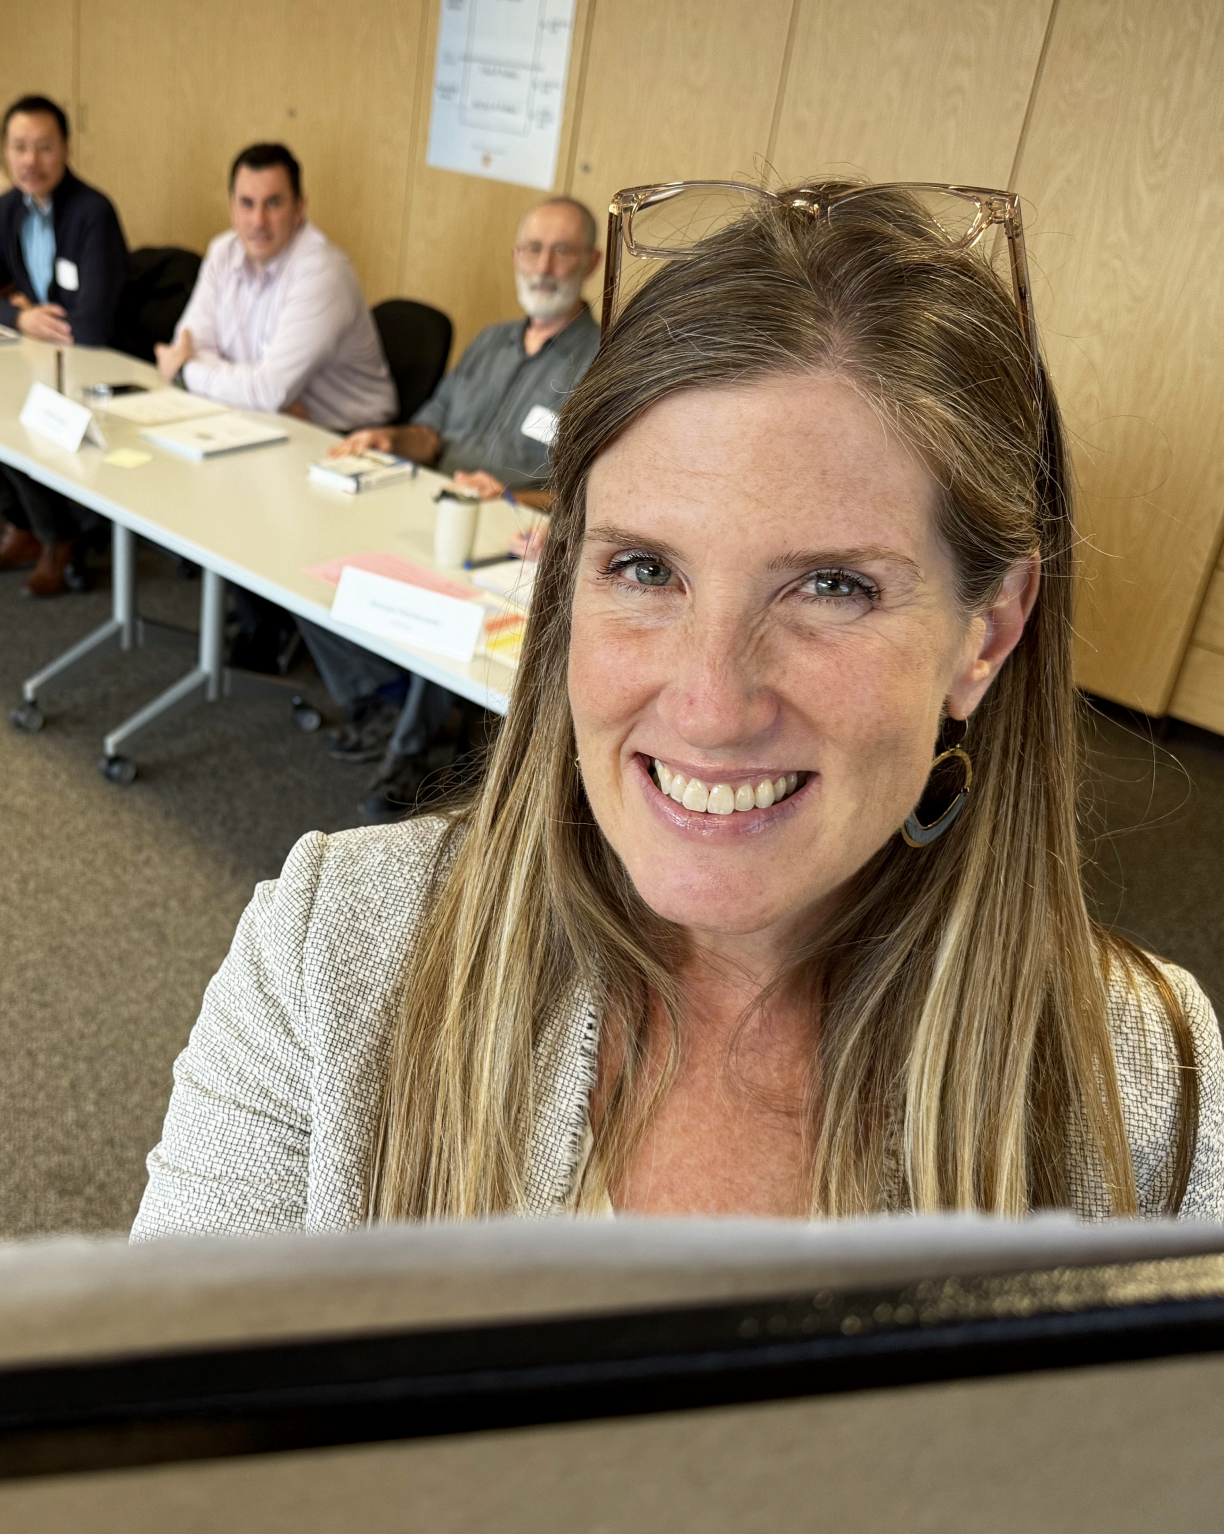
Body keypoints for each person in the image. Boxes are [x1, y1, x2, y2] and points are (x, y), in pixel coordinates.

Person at [132, 179, 1224, 1241]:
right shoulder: (335, 955)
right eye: (647, 568)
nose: (709, 705)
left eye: (833, 586)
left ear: (986, 632)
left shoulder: (1150, 1094)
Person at [298, 194, 600, 821]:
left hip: (514, 531)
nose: (543, 265)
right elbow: (429, 430)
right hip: (431, 504)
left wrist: (513, 496)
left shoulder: (599, 362)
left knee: (453, 604)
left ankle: (409, 752)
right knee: (312, 548)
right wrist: (392, 438)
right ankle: (380, 695)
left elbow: (592, 489)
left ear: (592, 262)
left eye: (561, 250)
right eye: (531, 248)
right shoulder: (489, 342)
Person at [155, 142, 396, 671]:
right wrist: (230, 379)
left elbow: (261, 386)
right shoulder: (223, 252)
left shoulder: (321, 270)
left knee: (239, 484)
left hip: (345, 436)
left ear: (300, 206)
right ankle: (259, 619)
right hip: (269, 422)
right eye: (246, 203)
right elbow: (200, 341)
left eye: (273, 203)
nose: (257, 220)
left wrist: (188, 369)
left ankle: (270, 627)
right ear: (231, 206)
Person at [0, 95, 129, 596]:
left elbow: (92, 325)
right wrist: (21, 314)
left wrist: (21, 305)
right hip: (38, 356)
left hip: (96, 369)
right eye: (19, 147)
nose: (31, 160)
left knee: (18, 426)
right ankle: (28, 527)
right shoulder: (8, 209)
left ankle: (62, 537)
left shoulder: (92, 213)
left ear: (67, 150)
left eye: (44, 147)